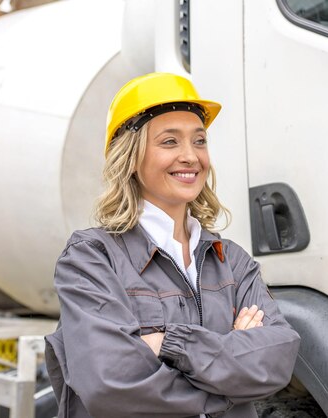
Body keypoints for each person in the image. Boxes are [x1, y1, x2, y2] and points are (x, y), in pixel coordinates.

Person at [45, 72, 301, 418]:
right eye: (169, 142)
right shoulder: (92, 258)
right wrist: (231, 371)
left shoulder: (233, 262)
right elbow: (111, 384)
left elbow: (276, 358)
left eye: (199, 141)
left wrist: (169, 343)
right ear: (131, 158)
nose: (191, 157)